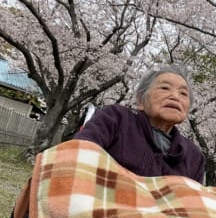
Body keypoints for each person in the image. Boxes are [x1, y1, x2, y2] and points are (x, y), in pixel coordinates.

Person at [74, 65, 205, 183]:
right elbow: (78, 155)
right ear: (140, 101)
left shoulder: (194, 156)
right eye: (165, 88)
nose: (175, 96)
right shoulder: (116, 118)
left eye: (183, 93)